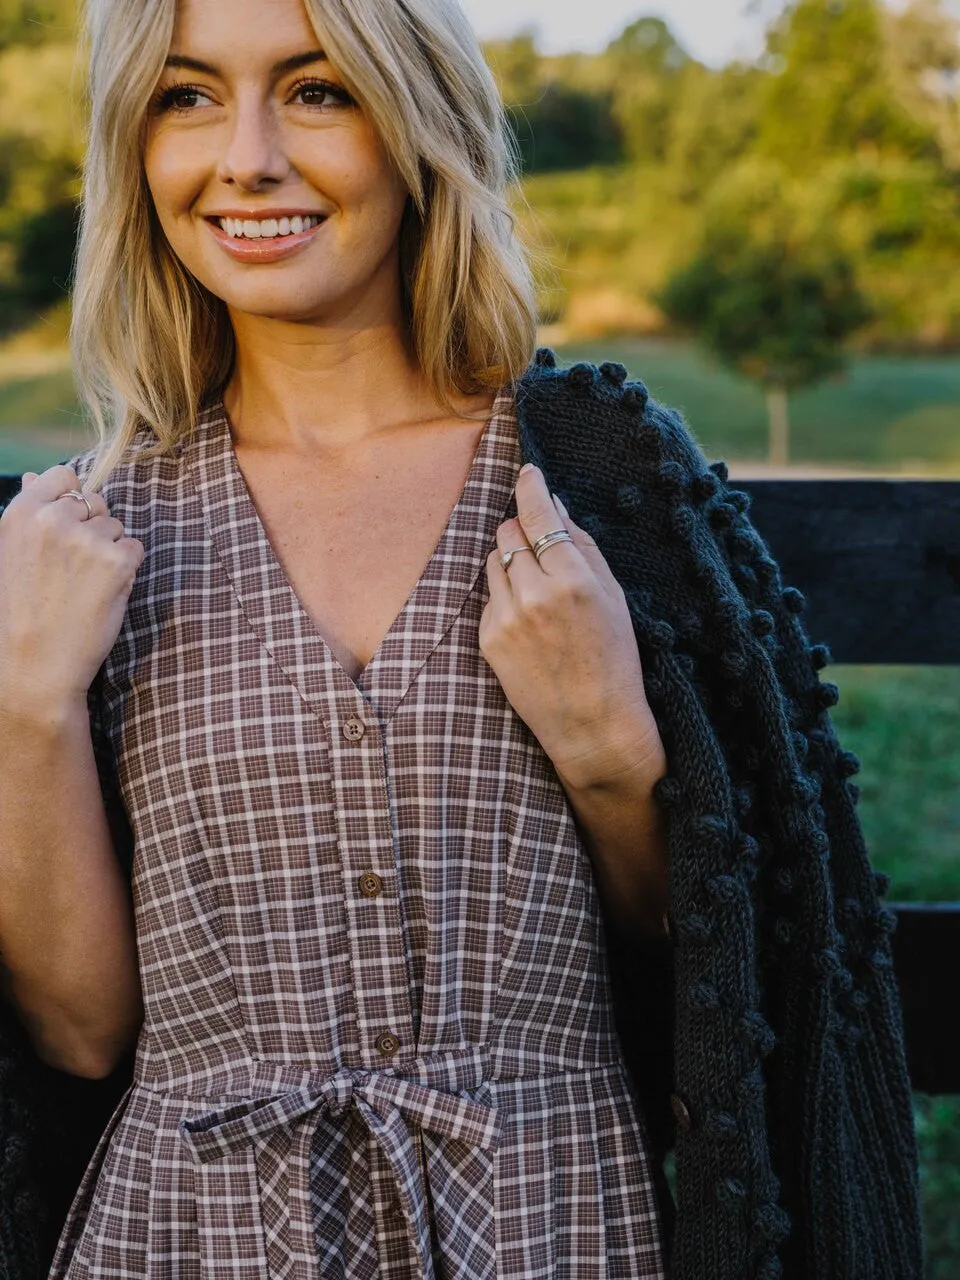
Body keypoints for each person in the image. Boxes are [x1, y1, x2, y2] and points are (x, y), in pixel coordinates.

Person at [0, 0, 923, 1277]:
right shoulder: (87, 533)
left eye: (318, 90)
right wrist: (28, 700)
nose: (248, 155)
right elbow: (82, 1033)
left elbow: (738, 962)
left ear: (417, 121)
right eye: (187, 95)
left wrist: (610, 751)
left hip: (555, 1222)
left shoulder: (596, 480)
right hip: (187, 1234)